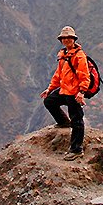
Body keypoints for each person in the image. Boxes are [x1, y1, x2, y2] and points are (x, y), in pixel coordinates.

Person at [40, 25, 90, 160]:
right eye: (64, 38)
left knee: (77, 120)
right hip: (64, 90)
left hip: (74, 93)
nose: (66, 40)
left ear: (73, 39)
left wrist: (81, 92)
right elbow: (58, 75)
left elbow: (85, 76)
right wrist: (50, 89)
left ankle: (76, 149)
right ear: (61, 40)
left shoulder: (79, 56)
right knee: (49, 101)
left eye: (69, 38)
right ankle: (63, 122)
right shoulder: (63, 55)